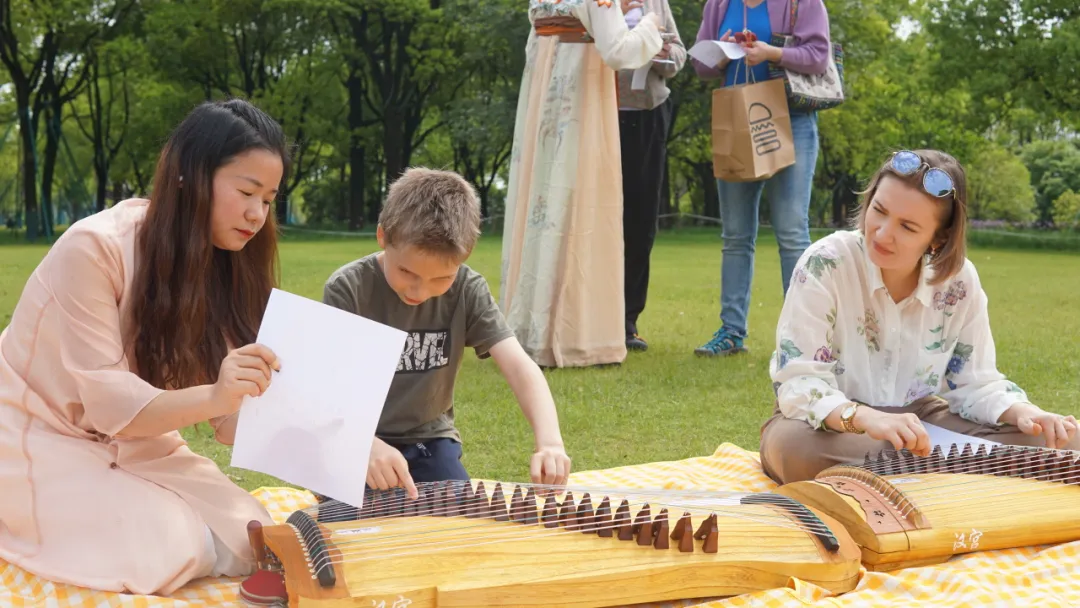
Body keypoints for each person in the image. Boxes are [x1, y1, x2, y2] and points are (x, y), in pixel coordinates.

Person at [0, 99, 289, 594]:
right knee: (172, 545)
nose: (256, 214)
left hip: (137, 438)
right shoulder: (94, 248)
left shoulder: (224, 266)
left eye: (267, 199)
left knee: (252, 536)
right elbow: (112, 404)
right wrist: (217, 395)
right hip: (34, 432)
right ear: (191, 175)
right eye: (246, 191)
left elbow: (230, 420)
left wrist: (351, 444)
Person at [759, 149, 1080, 485]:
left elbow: (975, 382)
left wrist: (1025, 413)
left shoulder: (959, 281)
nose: (882, 233)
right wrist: (865, 419)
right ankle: (961, 475)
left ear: (938, 238)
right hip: (831, 424)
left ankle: (901, 475)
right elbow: (799, 381)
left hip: (921, 422)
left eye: (907, 227)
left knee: (1066, 440)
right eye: (878, 210)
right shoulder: (825, 262)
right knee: (797, 453)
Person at [322, 168, 572, 499]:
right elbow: (323, 390)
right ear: (383, 236)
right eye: (406, 271)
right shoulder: (348, 289)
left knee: (455, 521)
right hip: (355, 436)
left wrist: (550, 442)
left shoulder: (468, 289)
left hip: (429, 439)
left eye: (441, 279)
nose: (419, 290)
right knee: (350, 529)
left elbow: (518, 365)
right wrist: (363, 443)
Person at [500, 0, 664, 368]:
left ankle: (528, 328)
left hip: (543, 103)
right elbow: (620, 51)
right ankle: (574, 336)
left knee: (541, 206)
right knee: (578, 208)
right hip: (580, 105)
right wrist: (650, 24)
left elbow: (532, 49)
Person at [690, 0, 831, 357]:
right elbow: (700, 66)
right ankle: (731, 332)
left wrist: (772, 52)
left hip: (791, 121)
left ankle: (800, 336)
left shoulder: (802, 3)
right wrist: (722, 55)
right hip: (737, 118)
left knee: (791, 232)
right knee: (735, 235)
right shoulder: (719, 5)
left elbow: (818, 55)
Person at [618, 0, 687, 352]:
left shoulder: (654, 3)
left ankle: (628, 320)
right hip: (598, 115)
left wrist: (659, 54)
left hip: (648, 115)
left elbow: (679, 52)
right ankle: (591, 317)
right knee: (597, 221)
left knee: (641, 219)